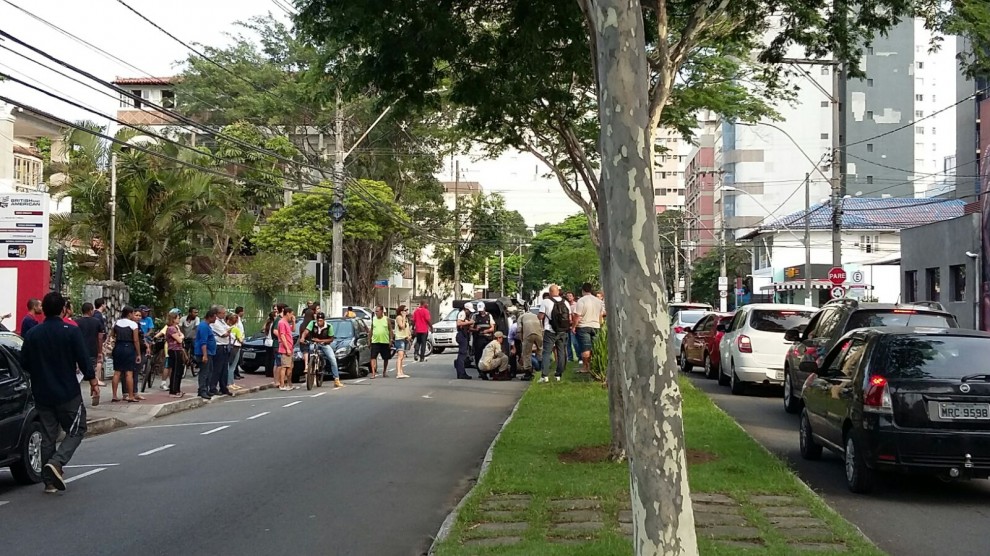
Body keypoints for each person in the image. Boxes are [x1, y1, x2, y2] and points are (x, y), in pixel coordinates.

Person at [19, 292, 97, 493]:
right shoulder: (70, 331)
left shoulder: (33, 334)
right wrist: (93, 381)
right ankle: (57, 462)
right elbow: (83, 359)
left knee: (47, 434)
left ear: (43, 310)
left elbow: (24, 362)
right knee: (77, 428)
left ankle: (49, 482)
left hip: (42, 392)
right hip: (67, 392)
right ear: (63, 309)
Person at [299, 312, 343, 388]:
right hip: (314, 343)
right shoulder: (312, 323)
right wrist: (302, 337)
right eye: (318, 320)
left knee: (333, 359)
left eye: (321, 320)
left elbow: (331, 339)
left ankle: (336, 379)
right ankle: (311, 366)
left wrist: (319, 341)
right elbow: (306, 331)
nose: (319, 322)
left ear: (324, 320)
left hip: (324, 344)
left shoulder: (329, 326)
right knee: (311, 350)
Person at [539, 285, 570, 383]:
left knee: (546, 352)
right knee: (561, 352)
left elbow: (540, 316)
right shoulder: (565, 302)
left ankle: (545, 376)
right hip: (563, 331)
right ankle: (558, 375)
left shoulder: (546, 301)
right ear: (558, 291)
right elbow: (569, 317)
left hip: (550, 330)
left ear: (550, 292)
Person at [111, 307, 142, 402]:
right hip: (129, 347)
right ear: (129, 314)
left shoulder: (116, 323)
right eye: (133, 313)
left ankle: (114, 395)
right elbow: (136, 340)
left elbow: (112, 335)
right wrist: (138, 354)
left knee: (117, 372)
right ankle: (131, 396)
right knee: (129, 373)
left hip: (118, 347)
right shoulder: (133, 324)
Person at [573, 282, 605, 373]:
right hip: (596, 326)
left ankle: (585, 367)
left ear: (583, 290)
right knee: (595, 347)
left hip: (583, 326)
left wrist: (574, 327)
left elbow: (577, 315)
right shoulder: (598, 301)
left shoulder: (581, 300)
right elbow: (601, 314)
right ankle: (594, 365)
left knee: (585, 347)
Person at [75, 303, 106, 387]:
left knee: (78, 374)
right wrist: (100, 352)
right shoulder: (97, 322)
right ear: (90, 310)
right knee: (94, 373)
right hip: (93, 350)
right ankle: (95, 391)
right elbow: (100, 338)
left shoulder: (76, 322)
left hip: (80, 351)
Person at [195, 308, 218, 400]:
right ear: (210, 317)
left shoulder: (207, 326)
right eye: (214, 318)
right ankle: (202, 390)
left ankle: (206, 388)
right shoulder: (203, 326)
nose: (215, 320)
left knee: (209, 371)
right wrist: (204, 355)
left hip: (210, 352)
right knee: (204, 372)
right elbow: (203, 342)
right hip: (205, 353)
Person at [209, 305, 233, 397]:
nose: (224, 315)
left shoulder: (222, 321)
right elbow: (223, 334)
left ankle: (224, 387)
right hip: (219, 346)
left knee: (224, 369)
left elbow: (228, 328)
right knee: (217, 369)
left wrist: (228, 331)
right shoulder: (215, 323)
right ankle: (213, 387)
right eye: (223, 313)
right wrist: (228, 332)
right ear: (217, 313)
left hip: (225, 346)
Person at [163, 311, 186, 397]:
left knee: (179, 370)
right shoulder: (171, 329)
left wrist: (180, 335)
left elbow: (181, 335)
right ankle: (173, 390)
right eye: (177, 318)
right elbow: (180, 339)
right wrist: (181, 336)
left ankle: (177, 389)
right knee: (176, 370)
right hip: (174, 350)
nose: (179, 319)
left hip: (178, 350)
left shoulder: (175, 328)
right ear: (173, 319)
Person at [472, 302, 495, 380]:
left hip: (487, 338)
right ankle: (481, 372)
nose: (480, 312)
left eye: (482, 310)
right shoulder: (475, 316)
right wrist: (476, 329)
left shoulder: (489, 316)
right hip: (478, 339)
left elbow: (492, 327)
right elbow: (470, 328)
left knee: (488, 355)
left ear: (484, 309)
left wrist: (487, 331)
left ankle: (489, 370)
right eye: (479, 310)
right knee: (478, 355)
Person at [517, 310, 543, 381]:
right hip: (539, 334)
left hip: (528, 335)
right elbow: (542, 327)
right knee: (540, 350)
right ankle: (541, 369)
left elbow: (519, 329)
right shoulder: (535, 316)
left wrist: (522, 340)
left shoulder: (521, 317)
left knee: (526, 353)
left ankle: (528, 373)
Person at [369, 305, 393, 379]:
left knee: (386, 358)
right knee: (373, 357)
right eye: (375, 311)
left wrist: (391, 340)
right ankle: (373, 373)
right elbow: (372, 330)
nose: (376, 313)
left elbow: (390, 330)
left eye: (377, 311)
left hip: (384, 341)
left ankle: (384, 372)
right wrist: (369, 340)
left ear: (382, 311)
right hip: (375, 341)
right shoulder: (374, 319)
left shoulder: (386, 319)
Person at [277, 307, 297, 391]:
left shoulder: (286, 323)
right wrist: (287, 348)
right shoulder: (281, 322)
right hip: (285, 348)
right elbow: (282, 335)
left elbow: (293, 329)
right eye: (291, 314)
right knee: (284, 366)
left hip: (290, 347)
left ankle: (289, 384)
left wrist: (293, 321)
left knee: (290, 367)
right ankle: (282, 384)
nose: (292, 316)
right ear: (287, 313)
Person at [454, 302, 474, 380]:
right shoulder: (462, 314)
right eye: (469, 310)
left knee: (463, 354)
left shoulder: (466, 315)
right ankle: (461, 372)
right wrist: (469, 322)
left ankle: (461, 372)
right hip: (461, 335)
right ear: (466, 309)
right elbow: (458, 323)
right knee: (462, 355)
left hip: (464, 335)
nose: (469, 312)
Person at [225, 313, 244, 390]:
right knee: (232, 366)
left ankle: (231, 382)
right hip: (236, 347)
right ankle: (230, 383)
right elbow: (240, 340)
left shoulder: (226, 328)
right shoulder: (236, 329)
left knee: (229, 365)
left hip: (229, 347)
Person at [393, 305, 411, 379]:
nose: (407, 311)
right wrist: (403, 317)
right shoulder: (399, 318)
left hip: (404, 338)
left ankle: (401, 371)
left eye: (407, 310)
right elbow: (402, 327)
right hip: (399, 339)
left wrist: (409, 335)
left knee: (402, 356)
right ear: (401, 311)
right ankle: (398, 373)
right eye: (405, 310)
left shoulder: (405, 319)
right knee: (400, 356)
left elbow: (407, 329)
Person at [263, 309, 278, 381]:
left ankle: (267, 372)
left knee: (267, 357)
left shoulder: (268, 323)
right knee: (272, 358)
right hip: (272, 341)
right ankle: (271, 372)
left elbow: (263, 330)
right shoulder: (274, 324)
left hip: (267, 341)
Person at [231, 306, 245, 380]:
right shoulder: (236, 319)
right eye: (243, 311)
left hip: (239, 341)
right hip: (236, 342)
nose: (244, 313)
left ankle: (237, 373)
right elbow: (235, 331)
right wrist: (240, 340)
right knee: (235, 360)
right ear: (240, 312)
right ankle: (233, 374)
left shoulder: (239, 319)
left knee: (237, 359)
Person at [565, 292, 580, 362]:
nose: (569, 297)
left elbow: (577, 316)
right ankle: (570, 358)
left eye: (570, 296)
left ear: (573, 297)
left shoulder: (576, 305)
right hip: (566, 327)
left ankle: (579, 357)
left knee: (575, 343)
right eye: (567, 296)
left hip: (573, 326)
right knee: (567, 343)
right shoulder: (565, 305)